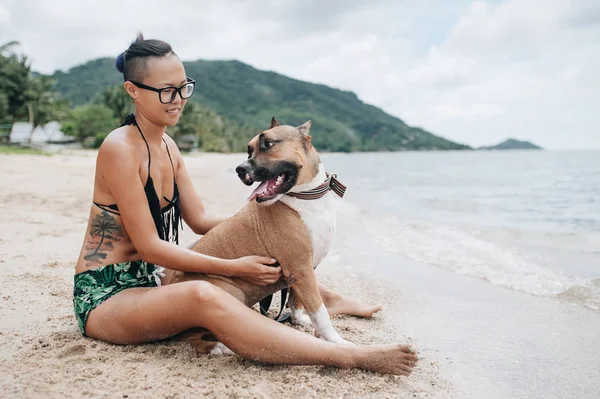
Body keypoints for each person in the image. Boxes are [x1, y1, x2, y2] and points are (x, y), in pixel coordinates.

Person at [72, 33, 418, 376]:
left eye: (183, 87)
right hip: (108, 295)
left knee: (283, 250)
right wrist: (236, 267)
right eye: (166, 91)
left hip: (152, 281)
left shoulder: (168, 147)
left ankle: (325, 298)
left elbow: (201, 220)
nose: (178, 99)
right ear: (133, 90)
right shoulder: (119, 148)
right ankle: (345, 355)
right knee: (203, 295)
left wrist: (278, 225)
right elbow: (150, 247)